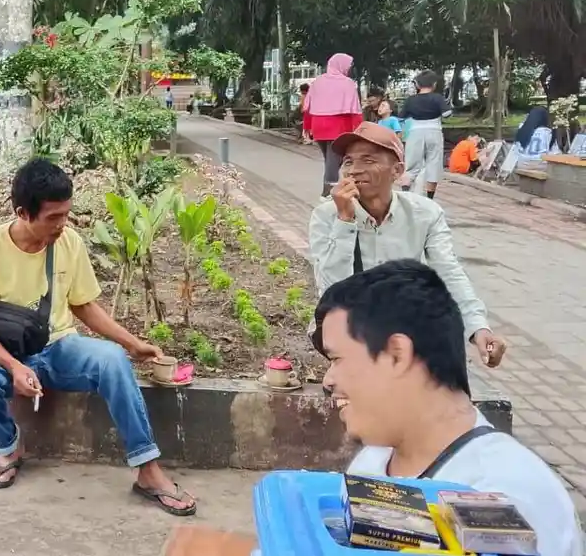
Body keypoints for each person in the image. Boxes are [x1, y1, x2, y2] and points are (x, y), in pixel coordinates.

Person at [162, 261, 582, 556]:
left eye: (338, 359)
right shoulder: (376, 463)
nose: (328, 381)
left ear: (397, 354)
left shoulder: (508, 495)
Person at [0, 158, 197, 515]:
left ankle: (147, 470)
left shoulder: (68, 242)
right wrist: (13, 366)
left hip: (60, 347)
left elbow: (84, 306)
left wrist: (133, 344)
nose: (63, 224)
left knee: (112, 360)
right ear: (23, 213)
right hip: (4, 352)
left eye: (66, 214)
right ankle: (8, 447)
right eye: (53, 217)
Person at [307, 122, 507, 368]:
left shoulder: (425, 213)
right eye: (348, 162)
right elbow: (331, 290)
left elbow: (449, 273)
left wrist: (478, 328)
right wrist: (345, 220)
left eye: (368, 161)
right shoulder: (327, 215)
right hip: (347, 327)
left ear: (397, 170)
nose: (354, 171)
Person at [301, 54, 362, 197]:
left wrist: (307, 127)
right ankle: (327, 193)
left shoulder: (317, 82)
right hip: (339, 127)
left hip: (319, 126)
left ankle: (330, 189)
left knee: (330, 160)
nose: (349, 68)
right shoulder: (348, 83)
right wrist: (359, 129)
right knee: (334, 161)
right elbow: (355, 110)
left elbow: (308, 107)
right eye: (349, 65)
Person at [400, 69, 450, 199]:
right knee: (434, 163)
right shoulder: (438, 98)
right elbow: (446, 114)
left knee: (411, 166)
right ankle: (429, 199)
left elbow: (401, 117)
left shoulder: (411, 100)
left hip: (415, 131)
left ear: (417, 85)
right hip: (434, 131)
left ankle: (406, 194)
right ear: (434, 84)